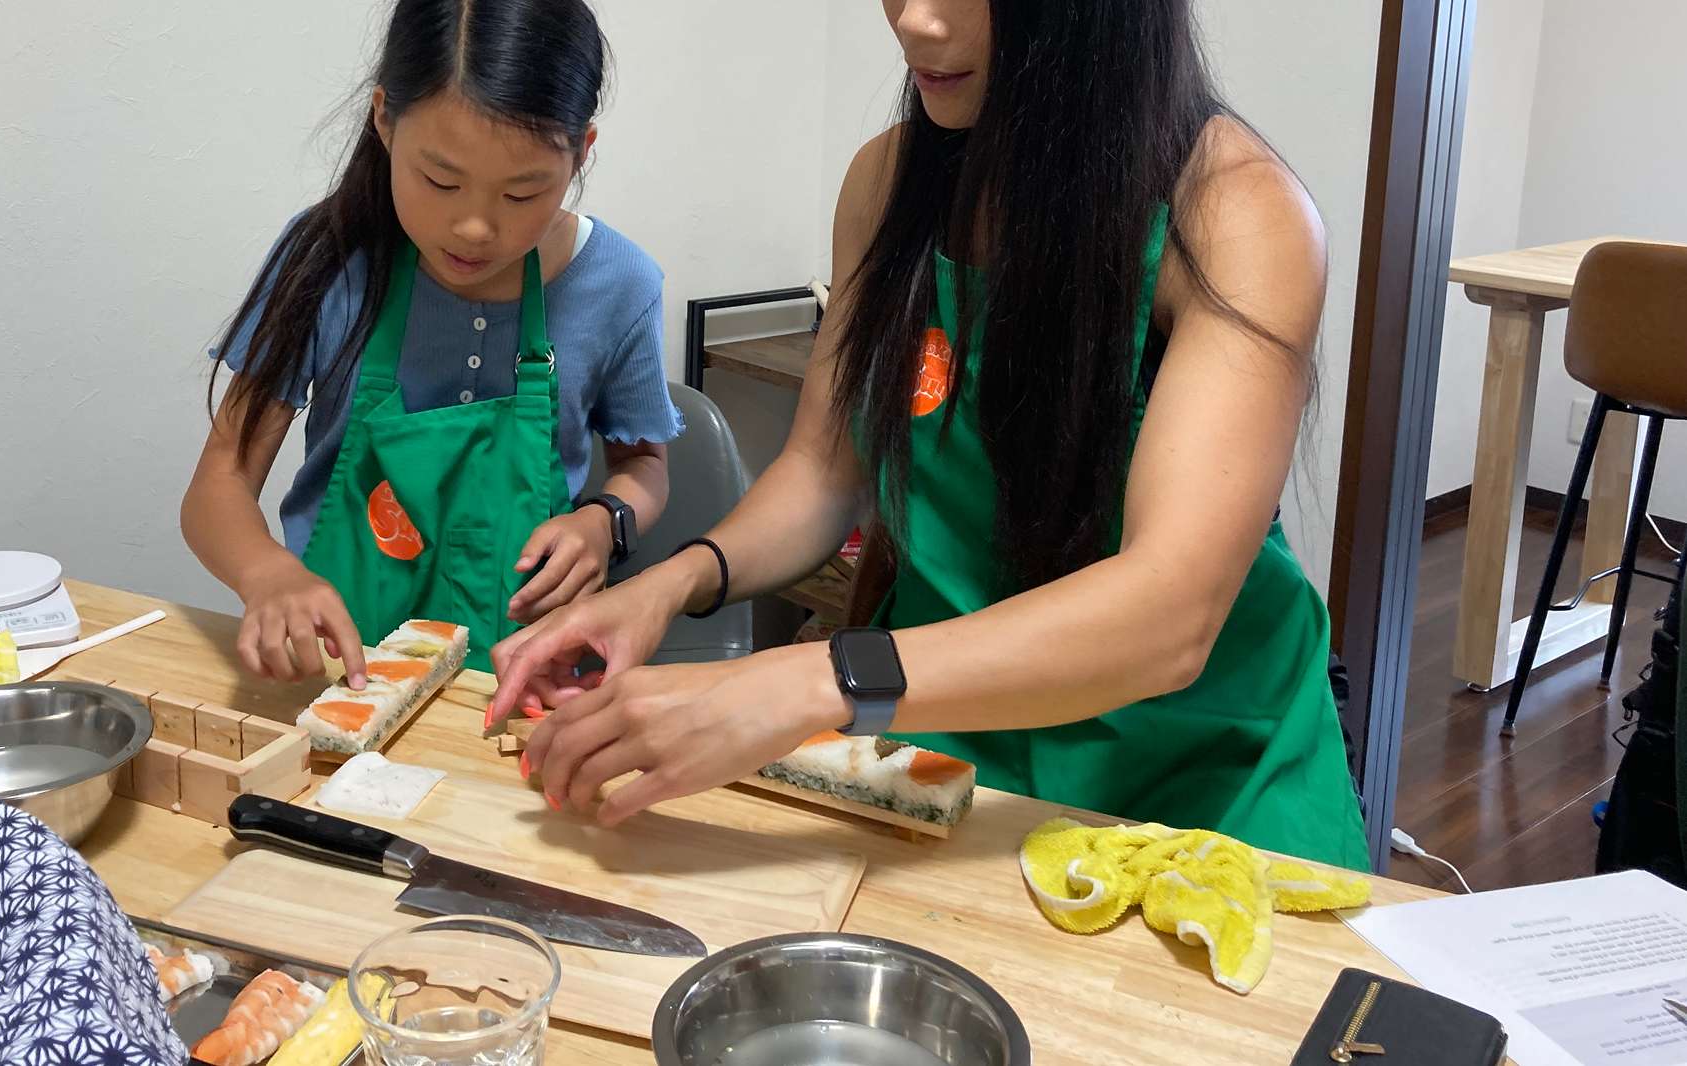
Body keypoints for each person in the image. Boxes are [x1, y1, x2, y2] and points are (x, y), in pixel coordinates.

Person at [489, 0, 1370, 869]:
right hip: (952, 760)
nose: (914, 21)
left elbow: (1169, 615)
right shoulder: (889, 182)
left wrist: (797, 681)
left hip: (1204, 793)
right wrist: (671, 585)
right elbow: (822, 470)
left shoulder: (1237, 214)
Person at [182, 0, 680, 683]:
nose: (474, 228)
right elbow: (220, 483)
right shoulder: (329, 257)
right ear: (384, 118)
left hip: (519, 677)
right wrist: (267, 573)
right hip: (339, 669)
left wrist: (605, 519)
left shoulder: (618, 283)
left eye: (522, 193)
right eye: (440, 180)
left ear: (581, 152)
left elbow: (644, 466)